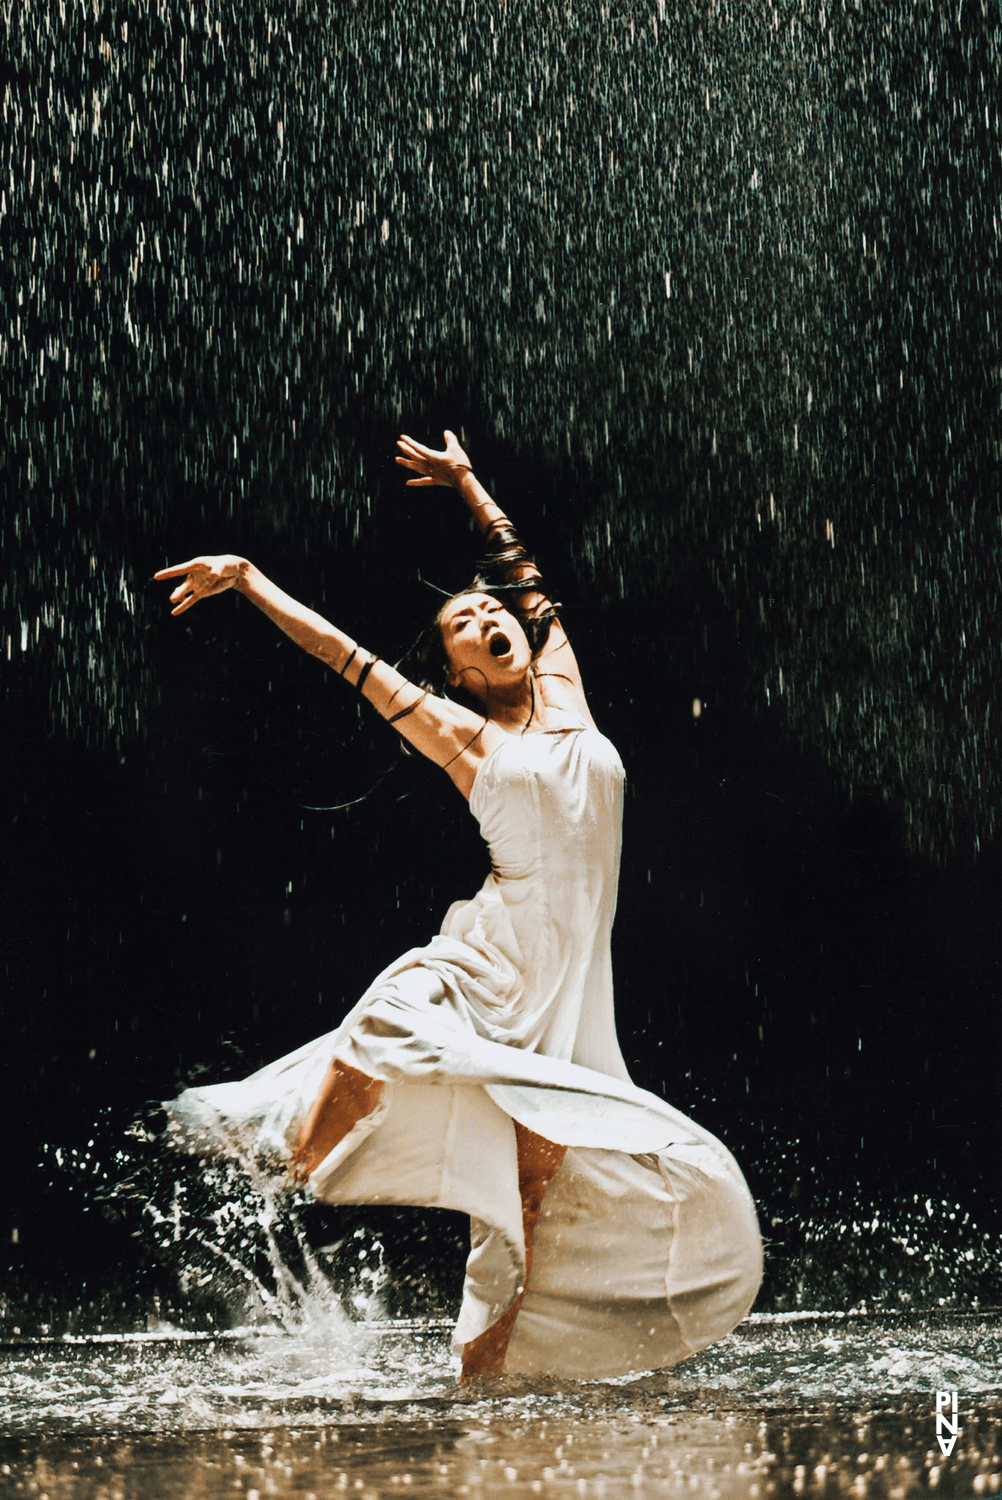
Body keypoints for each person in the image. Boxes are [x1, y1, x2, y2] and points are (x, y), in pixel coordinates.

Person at [154, 431, 763, 1379]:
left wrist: (470, 483)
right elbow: (346, 658)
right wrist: (248, 578)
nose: (489, 616)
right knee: (390, 1023)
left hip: (568, 990)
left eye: (491, 610)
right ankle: (289, 1170)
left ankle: (485, 1377)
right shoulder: (461, 738)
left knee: (526, 1203)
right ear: (457, 676)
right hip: (496, 955)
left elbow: (525, 572)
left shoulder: (566, 692)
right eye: (464, 624)